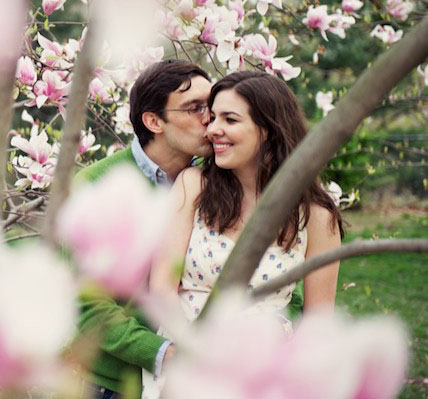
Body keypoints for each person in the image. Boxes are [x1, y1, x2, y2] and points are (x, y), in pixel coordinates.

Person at [143, 71, 344, 398]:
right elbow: (162, 287)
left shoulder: (316, 216)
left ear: (268, 130)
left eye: (230, 119)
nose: (212, 129)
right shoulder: (193, 186)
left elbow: (318, 326)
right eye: (213, 117)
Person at [75, 59, 213, 399]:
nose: (210, 118)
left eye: (213, 104)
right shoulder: (95, 186)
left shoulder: (217, 186)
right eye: (195, 108)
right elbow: (86, 304)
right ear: (154, 121)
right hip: (112, 384)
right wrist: (165, 352)